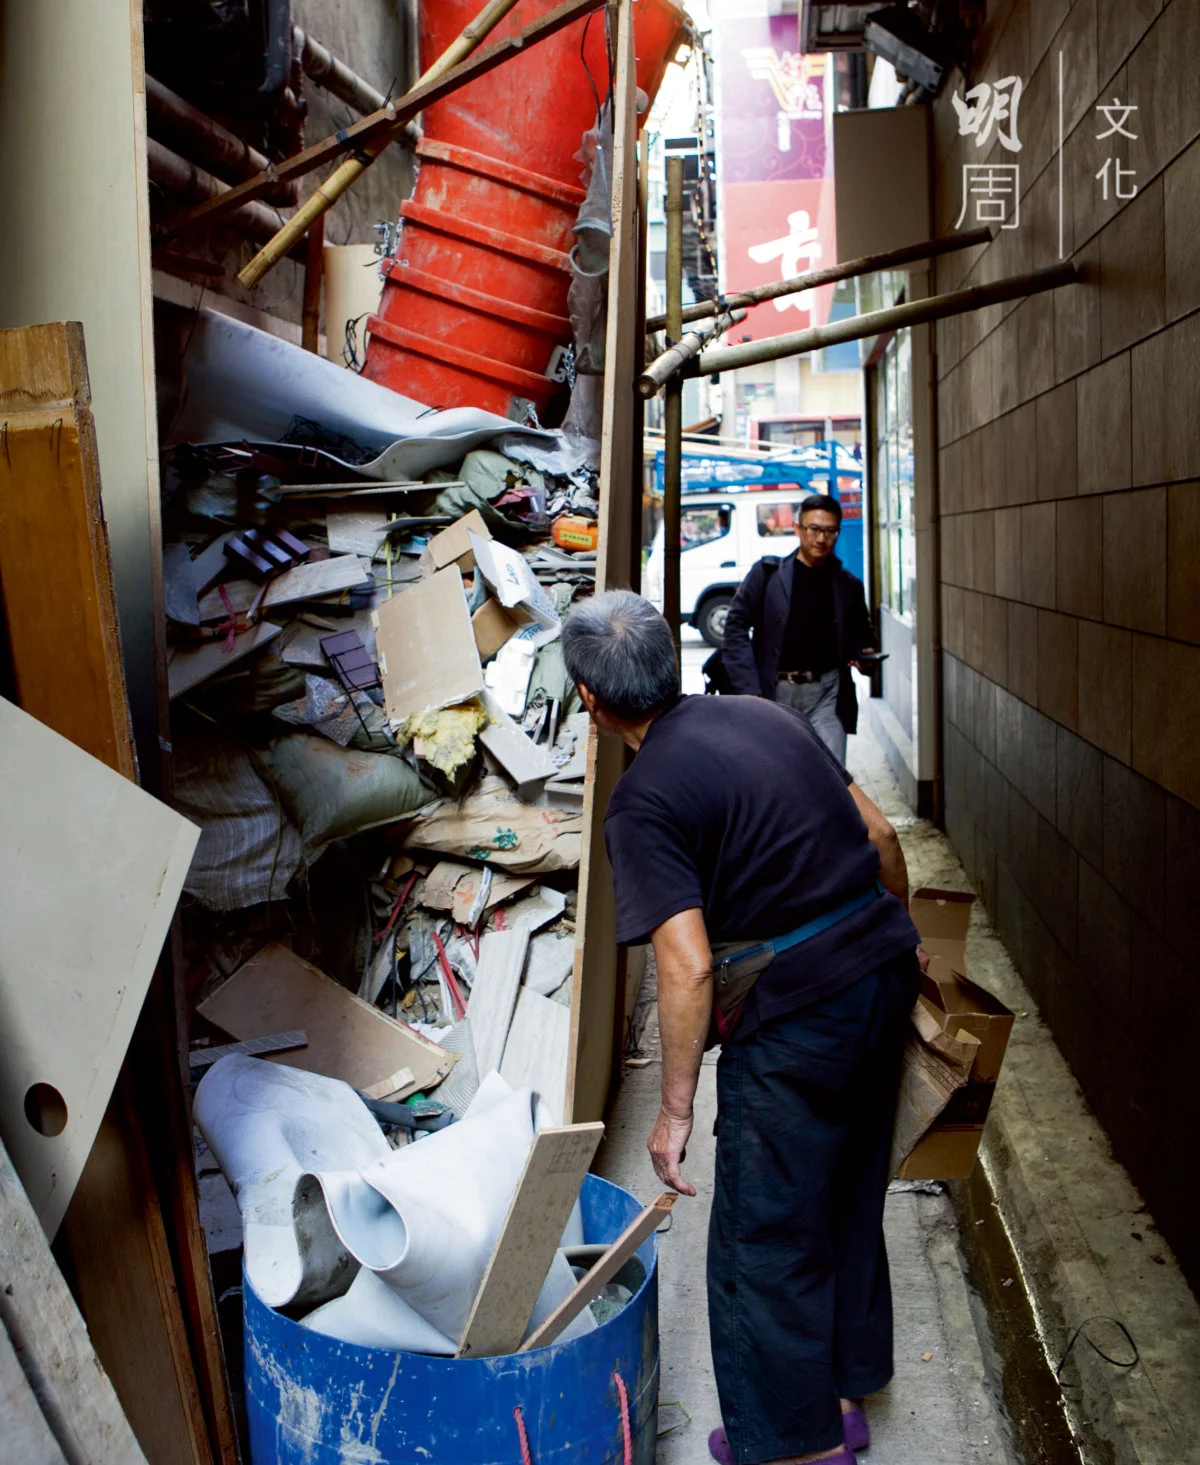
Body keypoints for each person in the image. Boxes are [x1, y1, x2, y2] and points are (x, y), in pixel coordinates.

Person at [562, 590, 923, 1465]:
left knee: (765, 1231)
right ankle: (842, 1393)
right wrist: (892, 948)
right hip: (880, 968)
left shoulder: (641, 803)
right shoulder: (761, 715)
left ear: (591, 703)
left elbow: (684, 966)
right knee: (845, 1186)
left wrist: (675, 1109)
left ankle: (797, 1448)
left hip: (800, 1017)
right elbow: (877, 833)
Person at [722, 493, 875, 764]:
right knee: (777, 774)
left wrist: (866, 658)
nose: (821, 539)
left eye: (830, 531)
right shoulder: (767, 574)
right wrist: (750, 689)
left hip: (827, 693)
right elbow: (735, 626)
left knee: (831, 776)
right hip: (775, 691)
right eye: (814, 529)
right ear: (798, 529)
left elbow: (864, 639)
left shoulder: (848, 585)